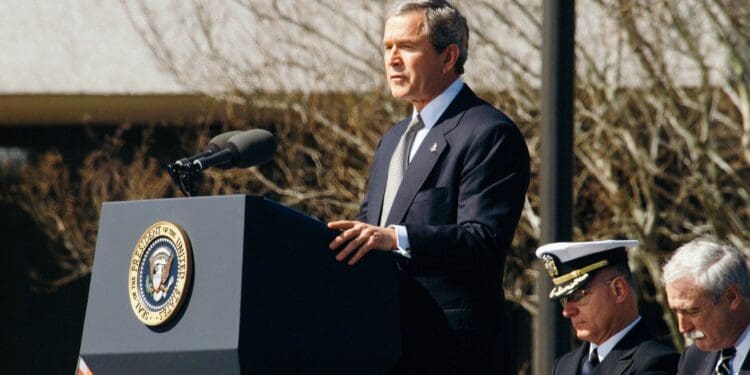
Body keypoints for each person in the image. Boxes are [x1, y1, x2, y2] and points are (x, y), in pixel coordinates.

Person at [327, 0, 530, 372]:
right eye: (387, 48)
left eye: (406, 46)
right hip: (387, 348)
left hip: (454, 353)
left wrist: (396, 238)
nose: (392, 59)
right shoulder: (391, 140)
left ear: (448, 56)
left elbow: (483, 239)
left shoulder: (487, 132)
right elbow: (367, 231)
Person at [535, 240, 679, 375]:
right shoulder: (563, 366)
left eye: (578, 296)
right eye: (564, 299)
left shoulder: (657, 362)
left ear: (618, 290)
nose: (567, 312)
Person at [663, 237, 750, 375]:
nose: (683, 327)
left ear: (731, 297)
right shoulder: (693, 359)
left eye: (692, 311)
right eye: (676, 312)